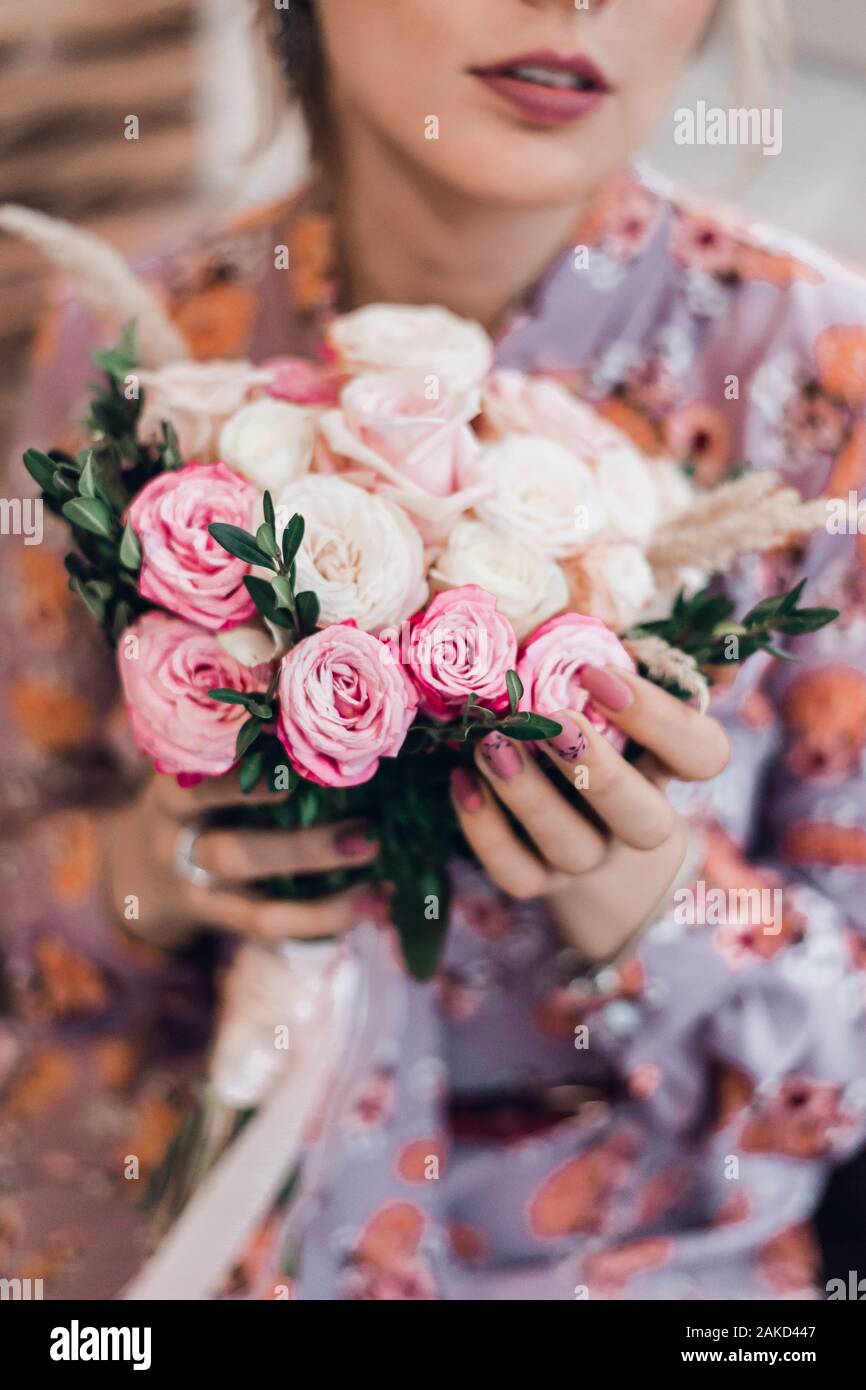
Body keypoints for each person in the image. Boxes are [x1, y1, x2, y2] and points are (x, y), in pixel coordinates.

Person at [2, 0, 865, 1300]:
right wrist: (148, 868)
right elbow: (28, 892)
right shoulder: (142, 344)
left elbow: (840, 1079)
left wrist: (657, 896)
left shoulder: (814, 382)